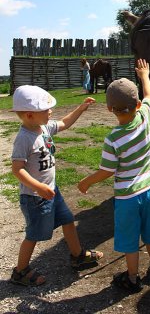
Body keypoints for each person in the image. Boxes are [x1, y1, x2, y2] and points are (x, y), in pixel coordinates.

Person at [78, 59, 150, 293]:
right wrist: (144, 74)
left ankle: (133, 278)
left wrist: (87, 181)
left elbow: (107, 171)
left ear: (109, 109)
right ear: (137, 104)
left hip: (128, 198)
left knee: (129, 238)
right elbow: (149, 94)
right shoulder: (146, 117)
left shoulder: (113, 138)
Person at [10, 85, 103, 286]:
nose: (50, 111)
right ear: (29, 115)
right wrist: (38, 187)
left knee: (68, 220)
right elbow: (17, 169)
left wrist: (81, 108)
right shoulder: (24, 139)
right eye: (46, 109)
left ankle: (77, 256)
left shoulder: (43, 127)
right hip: (35, 197)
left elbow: (64, 123)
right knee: (33, 234)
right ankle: (20, 271)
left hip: (51, 190)